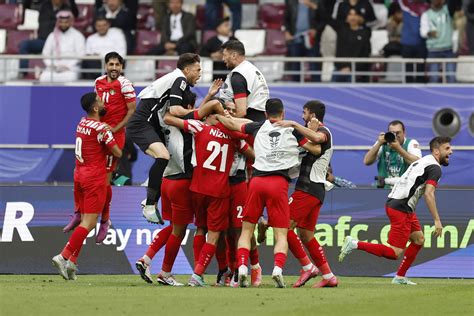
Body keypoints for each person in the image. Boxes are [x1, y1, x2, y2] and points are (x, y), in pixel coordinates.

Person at [216, 98, 323, 288]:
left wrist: (216, 114)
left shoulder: (257, 127)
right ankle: (277, 270)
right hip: (278, 183)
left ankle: (242, 268)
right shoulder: (293, 130)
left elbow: (232, 123)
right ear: (283, 113)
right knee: (281, 234)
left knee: (247, 230)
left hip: (256, 182)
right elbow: (315, 148)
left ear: (265, 114)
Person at [134, 84, 226, 286]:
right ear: (188, 106)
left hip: (165, 180)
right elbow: (197, 116)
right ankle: (165, 273)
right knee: (180, 230)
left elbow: (183, 116)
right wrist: (211, 100)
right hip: (182, 181)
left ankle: (146, 259)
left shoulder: (162, 121)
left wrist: (209, 94)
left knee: (174, 226)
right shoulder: (191, 124)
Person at [339, 136, 453, 285]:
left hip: (400, 204)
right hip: (401, 207)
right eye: (447, 148)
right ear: (437, 151)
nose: (451, 151)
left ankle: (399, 277)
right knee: (395, 252)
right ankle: (354, 243)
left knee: (419, 240)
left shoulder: (423, 161)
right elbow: (429, 194)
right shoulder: (434, 168)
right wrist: (437, 221)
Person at [127, 53, 214, 225]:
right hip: (141, 124)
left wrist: (207, 99)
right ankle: (150, 204)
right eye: (197, 70)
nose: (200, 74)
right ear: (187, 69)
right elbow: (175, 110)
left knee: (165, 160)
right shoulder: (179, 79)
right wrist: (199, 114)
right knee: (164, 157)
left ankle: (150, 198)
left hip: (151, 125)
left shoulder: (176, 80)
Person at [63, 52, 136, 245]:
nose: (114, 68)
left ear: (121, 67)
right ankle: (78, 212)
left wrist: (115, 129)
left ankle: (104, 220)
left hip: (114, 135)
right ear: (105, 66)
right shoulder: (98, 82)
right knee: (80, 171)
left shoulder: (126, 84)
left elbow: (132, 111)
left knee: (105, 179)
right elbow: (96, 107)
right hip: (97, 134)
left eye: (117, 65)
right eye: (110, 64)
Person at [52, 92, 122, 280]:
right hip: (94, 178)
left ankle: (72, 263)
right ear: (95, 108)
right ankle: (63, 256)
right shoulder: (101, 129)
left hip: (79, 175)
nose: (103, 101)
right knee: (90, 223)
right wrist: (110, 132)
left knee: (85, 222)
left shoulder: (82, 123)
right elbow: (117, 151)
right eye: (100, 100)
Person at [274, 100, 339, 288]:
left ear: (312, 114)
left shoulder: (324, 131)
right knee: (306, 234)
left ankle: (308, 267)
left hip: (309, 188)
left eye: (304, 113)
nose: (302, 117)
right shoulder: (310, 134)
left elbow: (318, 142)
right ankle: (328, 276)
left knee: (283, 227)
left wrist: (294, 125)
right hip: (313, 189)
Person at [19, 0, 79, 75]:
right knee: (25, 44)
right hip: (42, 41)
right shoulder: (44, 5)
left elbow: (76, 14)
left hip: (56, 42)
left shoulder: (66, 9)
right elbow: (28, 5)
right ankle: (23, 72)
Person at [220, 40, 270, 122]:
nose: (223, 59)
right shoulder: (251, 69)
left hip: (249, 122)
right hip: (260, 119)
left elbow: (241, 112)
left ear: (234, 55)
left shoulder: (238, 76)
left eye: (225, 55)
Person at [363, 120, 422, 188]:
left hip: (404, 189)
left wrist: (398, 148)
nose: (395, 135)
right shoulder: (383, 143)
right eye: (392, 133)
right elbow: (366, 162)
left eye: (398, 133)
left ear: (404, 133)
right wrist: (378, 143)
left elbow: (418, 164)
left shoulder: (411, 143)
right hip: (384, 187)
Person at [284, 0, 326, 82]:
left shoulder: (317, 2)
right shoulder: (291, 2)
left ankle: (317, 88)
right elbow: (286, 19)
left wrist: (316, 30)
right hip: (295, 38)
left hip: (311, 39)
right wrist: (287, 31)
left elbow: (324, 20)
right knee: (295, 66)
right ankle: (294, 89)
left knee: (314, 65)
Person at [39, 10, 85, 82]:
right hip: (53, 67)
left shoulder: (78, 36)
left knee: (70, 78)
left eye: (66, 22)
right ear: (58, 22)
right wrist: (52, 65)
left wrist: (67, 66)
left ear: (70, 22)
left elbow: (81, 55)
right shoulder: (52, 35)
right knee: (43, 78)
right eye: (61, 22)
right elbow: (45, 54)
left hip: (71, 68)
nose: (63, 24)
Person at [329, 8, 372, 83]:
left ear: (359, 17)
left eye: (355, 15)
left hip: (357, 69)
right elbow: (327, 18)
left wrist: (351, 68)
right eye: (350, 14)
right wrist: (342, 68)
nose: (352, 17)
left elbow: (365, 54)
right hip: (340, 68)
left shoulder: (365, 33)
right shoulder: (342, 30)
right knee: (335, 80)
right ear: (347, 17)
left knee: (351, 78)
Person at [420, 0, 457, 83]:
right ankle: (433, 96)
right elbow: (422, 32)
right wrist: (429, 33)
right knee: (434, 77)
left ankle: (453, 94)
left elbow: (453, 3)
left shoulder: (448, 10)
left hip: (448, 49)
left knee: (451, 77)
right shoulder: (426, 15)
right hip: (433, 50)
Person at [399, 0, 430, 83]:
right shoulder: (405, 4)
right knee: (408, 70)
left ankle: (421, 92)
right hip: (407, 43)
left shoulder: (427, 7)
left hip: (421, 43)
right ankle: (408, 92)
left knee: (420, 70)